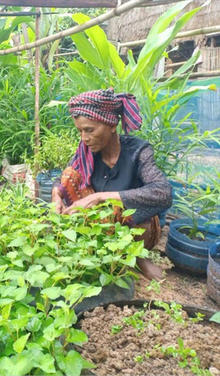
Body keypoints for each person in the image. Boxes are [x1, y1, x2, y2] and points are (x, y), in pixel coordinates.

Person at [51, 88, 172, 280]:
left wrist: (99, 197)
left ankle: (138, 258)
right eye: (80, 131)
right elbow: (62, 179)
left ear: (111, 124)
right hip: (102, 222)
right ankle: (93, 247)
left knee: (139, 216)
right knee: (68, 176)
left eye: (90, 130)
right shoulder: (86, 152)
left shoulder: (138, 152)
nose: (84, 138)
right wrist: (56, 197)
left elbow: (163, 193)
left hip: (134, 226)